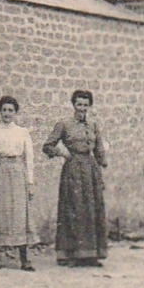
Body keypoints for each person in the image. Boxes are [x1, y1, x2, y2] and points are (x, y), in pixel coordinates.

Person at [42, 89, 108, 266]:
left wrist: (102, 168)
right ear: (73, 104)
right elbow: (47, 146)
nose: (82, 108)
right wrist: (63, 153)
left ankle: (91, 255)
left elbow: (99, 149)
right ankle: (71, 254)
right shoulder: (64, 124)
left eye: (86, 105)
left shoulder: (94, 125)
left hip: (91, 171)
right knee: (73, 210)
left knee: (92, 211)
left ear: (89, 106)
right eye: (79, 104)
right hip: (72, 171)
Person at [0, 94, 36, 271]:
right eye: (4, 110)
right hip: (1, 174)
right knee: (0, 212)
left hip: (19, 174)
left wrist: (30, 182)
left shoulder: (23, 132)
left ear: (16, 112)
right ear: (0, 112)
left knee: (21, 214)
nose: (7, 113)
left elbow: (30, 158)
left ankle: (24, 259)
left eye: (10, 110)